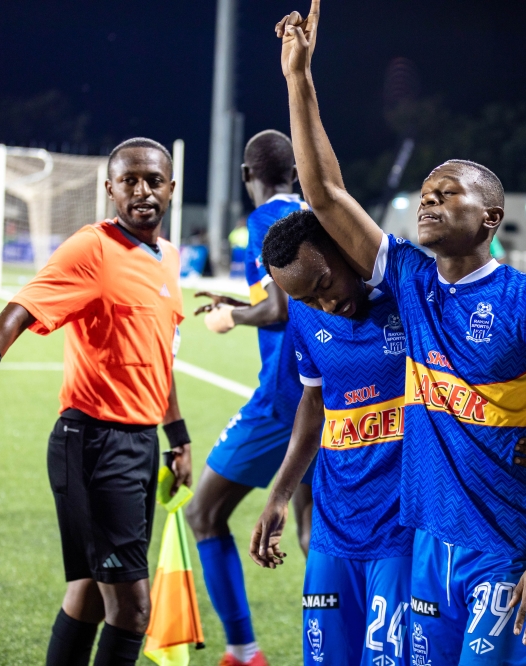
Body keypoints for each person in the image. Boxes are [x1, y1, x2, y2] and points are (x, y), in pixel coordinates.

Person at [275, 6, 526, 662]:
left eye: (447, 193)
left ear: (490, 217)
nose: (428, 200)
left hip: (504, 549)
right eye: (425, 191)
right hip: (427, 546)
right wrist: (299, 78)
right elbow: (326, 192)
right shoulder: (410, 281)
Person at [247, 211, 526, 666]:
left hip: (405, 529)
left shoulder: (414, 298)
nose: (325, 305)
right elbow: (314, 403)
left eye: (325, 285)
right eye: (308, 299)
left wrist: (523, 431)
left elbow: (488, 369)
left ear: (341, 244)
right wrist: (280, 493)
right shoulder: (305, 310)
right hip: (336, 522)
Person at [0, 137, 191, 666]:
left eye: (153, 180)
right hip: (94, 444)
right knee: (131, 608)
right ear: (109, 190)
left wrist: (179, 438)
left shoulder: (169, 257)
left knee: (87, 594)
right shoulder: (93, 249)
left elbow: (159, 359)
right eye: (129, 180)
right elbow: (18, 311)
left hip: (142, 442)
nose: (142, 191)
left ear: (171, 188)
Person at [188, 129, 315, 666]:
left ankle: (243, 651)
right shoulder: (311, 213)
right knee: (316, 534)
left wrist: (231, 316)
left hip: (285, 398)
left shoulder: (265, 221)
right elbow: (291, 296)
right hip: (324, 390)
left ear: (247, 176)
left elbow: (280, 311)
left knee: (204, 514)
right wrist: (240, 299)